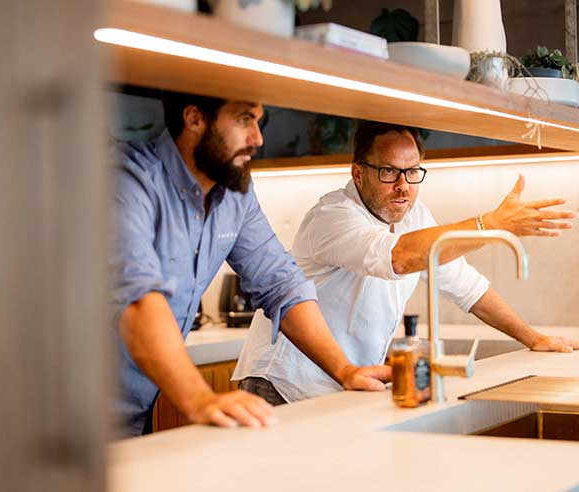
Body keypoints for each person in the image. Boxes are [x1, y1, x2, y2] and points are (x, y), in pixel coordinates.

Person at [233, 121, 579, 404]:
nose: (403, 186)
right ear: (358, 173)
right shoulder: (333, 215)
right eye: (389, 172)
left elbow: (466, 287)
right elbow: (399, 258)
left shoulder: (414, 215)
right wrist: (491, 224)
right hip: (282, 384)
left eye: (412, 171)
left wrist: (534, 338)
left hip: (343, 382)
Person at [112, 94, 390, 436]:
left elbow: (281, 283)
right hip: (58, 404)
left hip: (135, 410)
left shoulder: (234, 193)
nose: (258, 139)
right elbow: (137, 300)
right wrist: (200, 398)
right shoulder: (125, 181)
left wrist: (345, 370)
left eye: (259, 122)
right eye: (245, 120)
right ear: (194, 118)